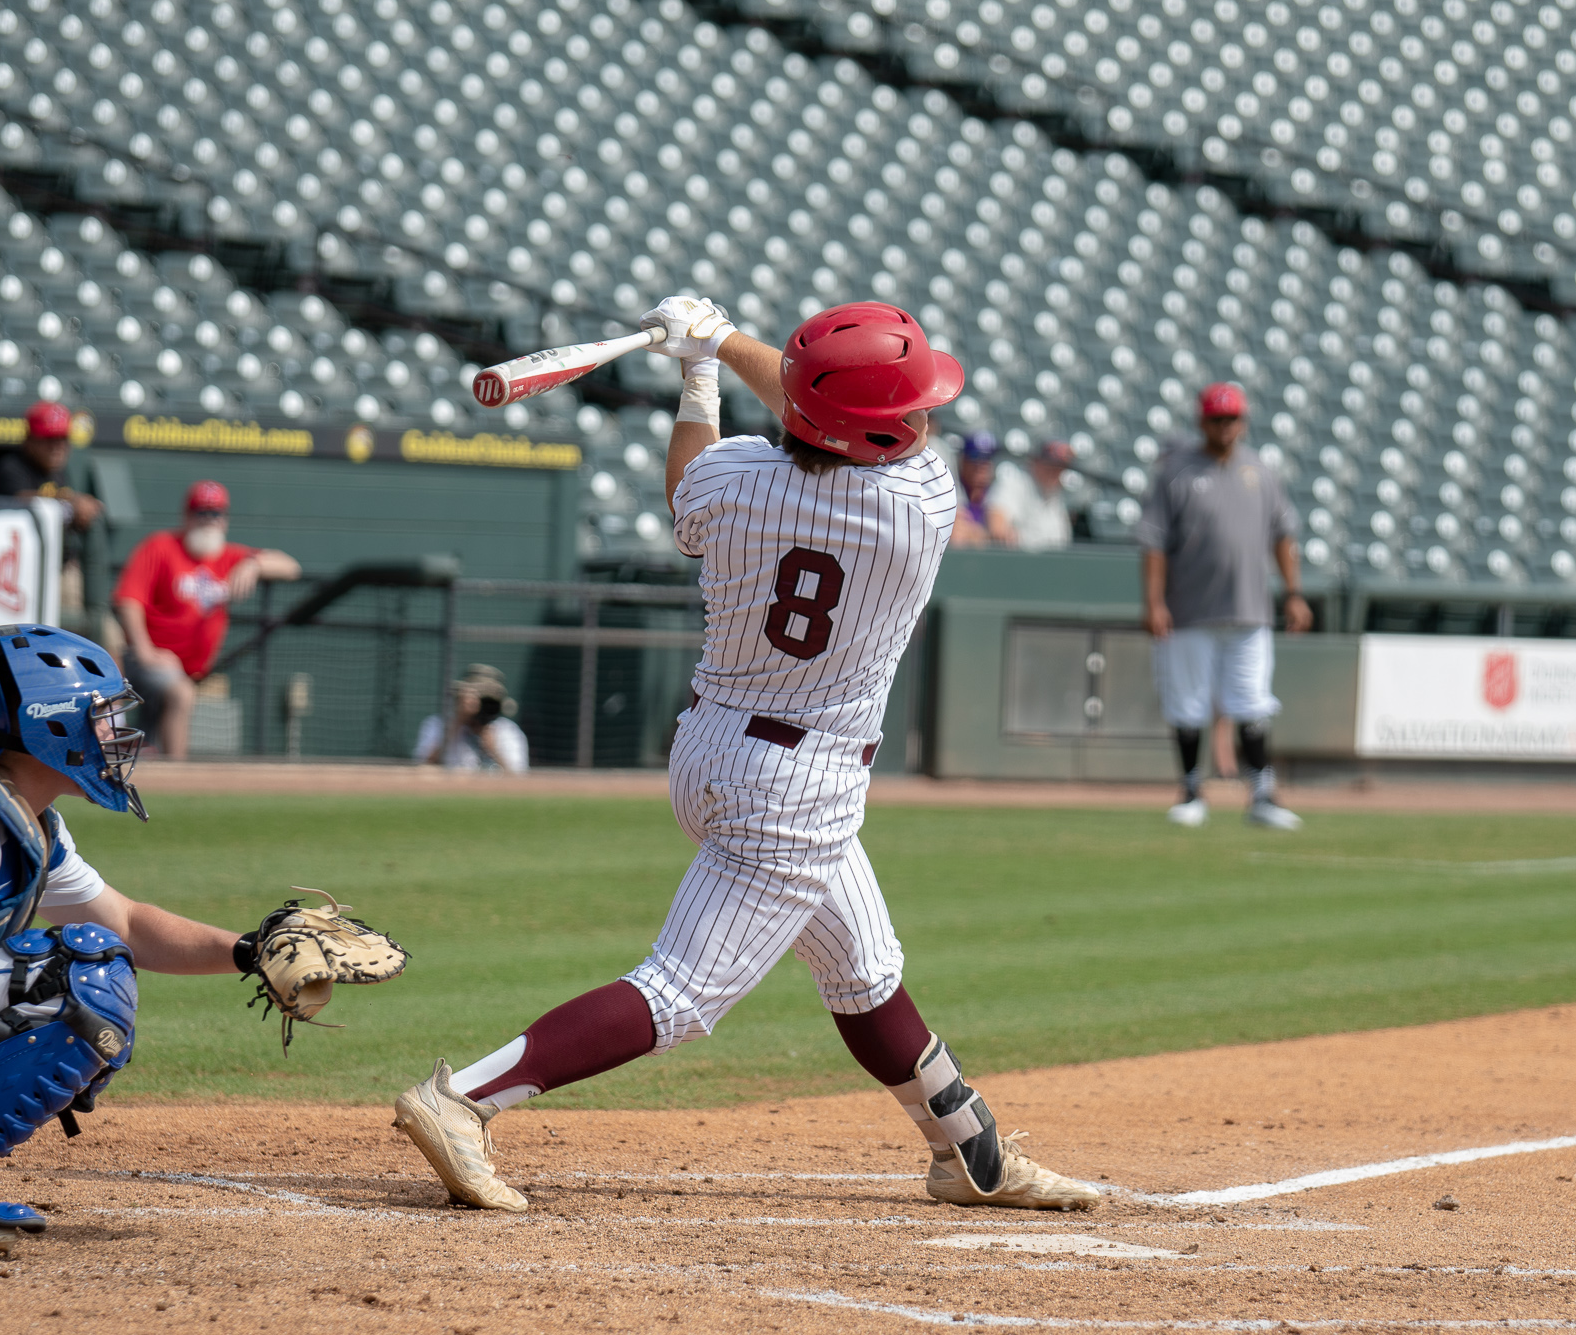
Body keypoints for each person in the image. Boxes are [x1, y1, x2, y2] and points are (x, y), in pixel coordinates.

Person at [391, 295, 1099, 1215]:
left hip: (713, 748)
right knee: (680, 993)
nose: (924, 420)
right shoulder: (919, 502)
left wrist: (699, 369)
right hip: (797, 785)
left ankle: (971, 1153)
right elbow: (828, 409)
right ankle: (463, 1101)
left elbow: (705, 473)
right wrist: (722, 343)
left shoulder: (737, 482)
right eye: (907, 411)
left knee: (864, 969)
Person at [0, 624, 271, 1254]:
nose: (114, 736)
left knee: (93, 958)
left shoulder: (30, 825)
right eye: (100, 716)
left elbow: (131, 923)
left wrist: (254, 951)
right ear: (48, 721)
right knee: (78, 980)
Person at [1138, 382, 1311, 831]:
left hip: (1250, 609)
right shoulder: (1176, 471)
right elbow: (1153, 544)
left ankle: (1263, 794)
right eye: (1217, 418)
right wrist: (1155, 601)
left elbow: (1283, 535)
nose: (1225, 426)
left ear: (1243, 420)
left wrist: (1293, 592)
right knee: (1187, 705)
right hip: (1190, 609)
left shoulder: (1261, 471)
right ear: (1201, 421)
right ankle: (1192, 790)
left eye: (1232, 418)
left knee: (1252, 702)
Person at [111, 481, 301, 759]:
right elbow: (128, 600)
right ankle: (178, 776)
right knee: (181, 694)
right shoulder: (160, 547)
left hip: (188, 668)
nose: (209, 521)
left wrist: (255, 563)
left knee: (155, 731)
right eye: (201, 512)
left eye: (216, 514)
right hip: (144, 660)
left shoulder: (231, 557)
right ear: (186, 516)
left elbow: (291, 567)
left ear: (225, 520)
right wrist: (146, 651)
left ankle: (161, 771)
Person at [0, 402, 103, 533]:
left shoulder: (58, 471)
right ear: (29, 440)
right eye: (49, 439)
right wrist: (70, 503)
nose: (57, 447)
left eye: (63, 439)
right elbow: (21, 502)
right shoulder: (11, 467)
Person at [415, 665, 528, 773]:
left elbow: (520, 778)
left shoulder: (507, 730)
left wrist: (494, 750)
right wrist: (456, 724)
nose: (480, 706)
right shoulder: (437, 723)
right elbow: (423, 767)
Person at [986, 439, 1077, 552]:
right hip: (1018, 564)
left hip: (1052, 565)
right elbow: (997, 525)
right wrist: (1005, 534)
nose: (1056, 470)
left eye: (1061, 465)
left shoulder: (1055, 495)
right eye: (1052, 464)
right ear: (1036, 460)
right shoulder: (1014, 482)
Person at [948, 430, 1012, 548]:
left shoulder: (999, 491)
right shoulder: (950, 486)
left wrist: (977, 535)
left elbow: (1003, 535)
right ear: (963, 461)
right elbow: (957, 537)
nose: (981, 465)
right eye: (975, 456)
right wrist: (987, 537)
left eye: (987, 458)